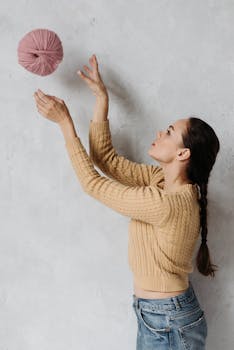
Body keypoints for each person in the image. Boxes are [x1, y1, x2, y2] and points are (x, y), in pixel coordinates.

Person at [33, 54, 220, 349]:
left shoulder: (167, 203)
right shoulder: (163, 182)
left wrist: (65, 124)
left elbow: (93, 184)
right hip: (161, 317)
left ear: (183, 154)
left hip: (167, 323)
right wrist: (101, 98)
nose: (160, 132)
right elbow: (106, 160)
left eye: (170, 132)